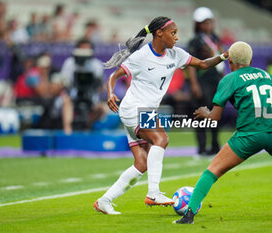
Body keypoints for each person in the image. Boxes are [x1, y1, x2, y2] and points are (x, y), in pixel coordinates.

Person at [93, 16, 229, 215]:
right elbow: (115, 75)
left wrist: (224, 56)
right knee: (161, 139)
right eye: (173, 33)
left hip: (144, 111)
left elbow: (202, 64)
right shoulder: (141, 56)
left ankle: (104, 201)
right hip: (134, 108)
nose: (176, 37)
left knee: (141, 163)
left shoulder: (176, 54)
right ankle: (153, 193)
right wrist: (110, 92)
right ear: (159, 33)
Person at [174, 41, 272, 224]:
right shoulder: (266, 75)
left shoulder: (229, 79)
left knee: (213, 170)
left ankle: (189, 214)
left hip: (250, 134)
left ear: (230, 61)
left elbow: (214, 118)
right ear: (250, 59)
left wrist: (205, 113)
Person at [188, 7, 225, 155]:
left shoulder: (216, 39)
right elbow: (190, 65)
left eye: (210, 21)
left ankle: (215, 145)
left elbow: (221, 60)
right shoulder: (195, 41)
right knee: (201, 115)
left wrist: (224, 80)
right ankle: (202, 147)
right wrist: (194, 84)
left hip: (216, 81)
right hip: (202, 82)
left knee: (216, 113)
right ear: (199, 24)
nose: (209, 25)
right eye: (205, 22)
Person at [60, 38, 106, 132]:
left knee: (103, 108)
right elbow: (64, 82)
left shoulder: (96, 64)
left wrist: (97, 84)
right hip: (73, 96)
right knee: (66, 102)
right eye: (82, 48)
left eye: (87, 48)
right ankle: (67, 132)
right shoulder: (70, 63)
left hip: (91, 97)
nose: (84, 51)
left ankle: (86, 126)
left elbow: (101, 87)